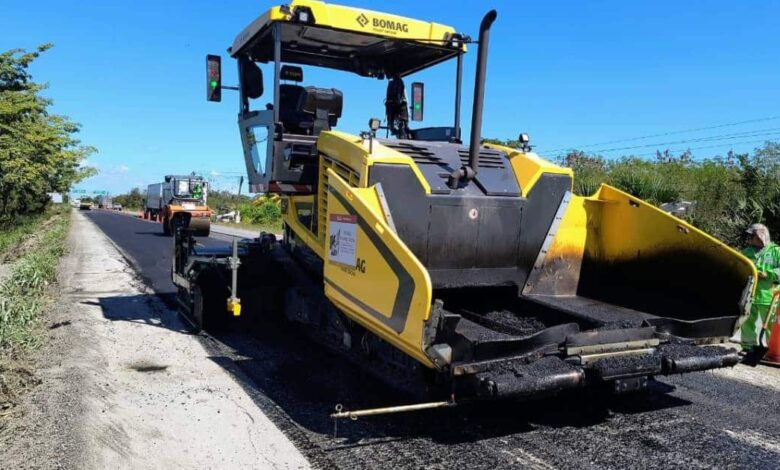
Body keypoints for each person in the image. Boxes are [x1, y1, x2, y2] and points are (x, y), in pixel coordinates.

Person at [740, 223, 780, 351]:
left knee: (771, 325)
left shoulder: (776, 252)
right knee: (747, 322)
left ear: (760, 236)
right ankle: (748, 347)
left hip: (769, 296)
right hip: (749, 294)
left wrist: (768, 274)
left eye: (751, 235)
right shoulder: (747, 252)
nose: (749, 238)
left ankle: (772, 350)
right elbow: (739, 267)